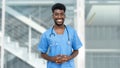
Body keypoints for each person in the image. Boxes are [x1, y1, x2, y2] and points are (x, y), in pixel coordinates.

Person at [38, 3, 82, 68]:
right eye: (56, 14)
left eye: (61, 14)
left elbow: (76, 50)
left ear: (64, 16)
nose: (59, 17)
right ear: (53, 16)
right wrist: (52, 59)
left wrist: (69, 57)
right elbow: (42, 54)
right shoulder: (46, 34)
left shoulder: (72, 32)